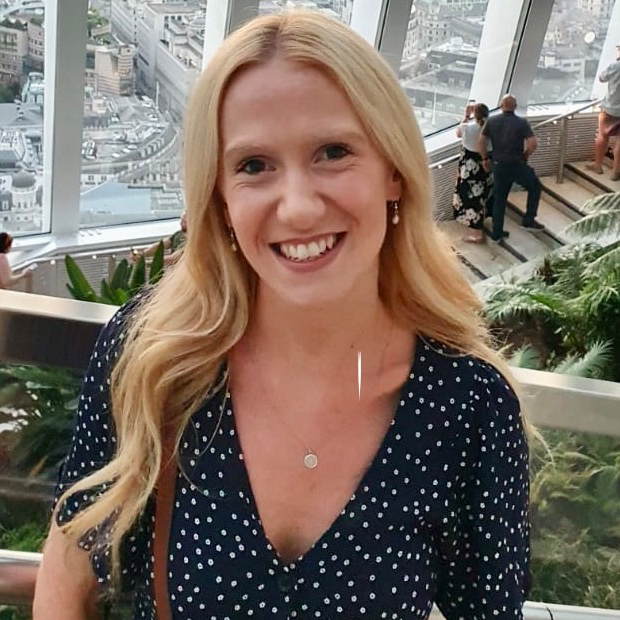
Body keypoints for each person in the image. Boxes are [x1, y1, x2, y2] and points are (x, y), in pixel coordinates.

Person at [34, 12, 530, 620]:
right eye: (253, 165)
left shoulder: (469, 406)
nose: (296, 208)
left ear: (394, 171)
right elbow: (69, 570)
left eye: (333, 152)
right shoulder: (155, 355)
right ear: (218, 195)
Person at [479, 94, 544, 241]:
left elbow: (481, 140)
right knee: (535, 187)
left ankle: (497, 232)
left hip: (499, 165)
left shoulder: (492, 121)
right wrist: (525, 156)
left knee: (499, 198)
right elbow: (533, 143)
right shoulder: (521, 123)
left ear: (501, 106)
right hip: (517, 164)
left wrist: (485, 159)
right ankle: (528, 220)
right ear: (515, 107)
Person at [453, 102, 493, 243]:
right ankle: (483, 222)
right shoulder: (491, 128)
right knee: (484, 195)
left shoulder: (468, 128)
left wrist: (466, 116)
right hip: (486, 165)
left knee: (471, 199)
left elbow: (458, 133)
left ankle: (476, 233)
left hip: (470, 169)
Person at [586, 42, 620, 181]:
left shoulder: (615, 66)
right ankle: (615, 171)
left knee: (602, 136)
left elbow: (601, 78)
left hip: (610, 108)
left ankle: (598, 165)